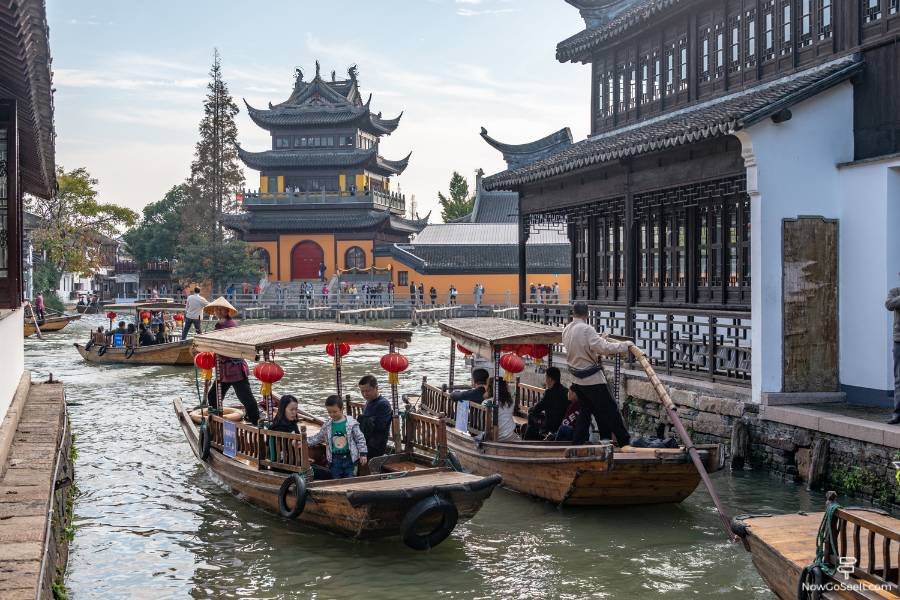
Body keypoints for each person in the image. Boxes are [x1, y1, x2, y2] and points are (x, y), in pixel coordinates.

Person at [562, 301, 632, 446]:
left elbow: (590, 347)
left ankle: (578, 442)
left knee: (585, 412)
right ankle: (625, 442)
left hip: (577, 379)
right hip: (592, 380)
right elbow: (603, 348)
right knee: (611, 410)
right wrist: (625, 345)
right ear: (587, 314)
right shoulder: (587, 329)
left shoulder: (566, 329)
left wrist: (600, 341)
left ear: (573, 313)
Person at [204, 297, 260, 425]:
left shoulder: (229, 326)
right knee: (213, 396)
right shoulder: (220, 325)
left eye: (220, 309)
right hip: (223, 370)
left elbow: (224, 346)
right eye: (216, 309)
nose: (218, 311)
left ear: (226, 311)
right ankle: (216, 421)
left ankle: (256, 422)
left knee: (246, 398)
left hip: (234, 368)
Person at [306, 395, 367, 479]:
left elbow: (360, 439)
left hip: (350, 458)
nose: (332, 414)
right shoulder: (327, 425)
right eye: (329, 412)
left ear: (342, 409)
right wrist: (304, 442)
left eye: (335, 412)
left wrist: (363, 454)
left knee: (350, 478)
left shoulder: (351, 423)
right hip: (335, 459)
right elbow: (318, 438)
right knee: (335, 479)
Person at [524, 366, 569, 440]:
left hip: (551, 426)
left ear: (550, 379)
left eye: (546, 377)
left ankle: (527, 441)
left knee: (531, 414)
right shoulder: (566, 391)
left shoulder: (549, 393)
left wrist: (530, 409)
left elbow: (537, 408)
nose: (545, 380)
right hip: (562, 424)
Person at [357, 375, 392, 459]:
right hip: (366, 441)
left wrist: (363, 420)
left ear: (376, 388)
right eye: (362, 391)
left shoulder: (383, 404)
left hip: (375, 445)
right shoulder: (369, 402)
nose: (365, 394)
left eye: (368, 391)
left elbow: (380, 427)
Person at [486, 377, 520, 442]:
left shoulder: (486, 402)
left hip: (493, 437)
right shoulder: (510, 402)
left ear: (490, 388)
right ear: (505, 388)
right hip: (510, 436)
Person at [887, 282, 900, 424]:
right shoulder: (895, 291)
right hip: (899, 341)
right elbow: (889, 305)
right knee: (899, 378)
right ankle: (898, 413)